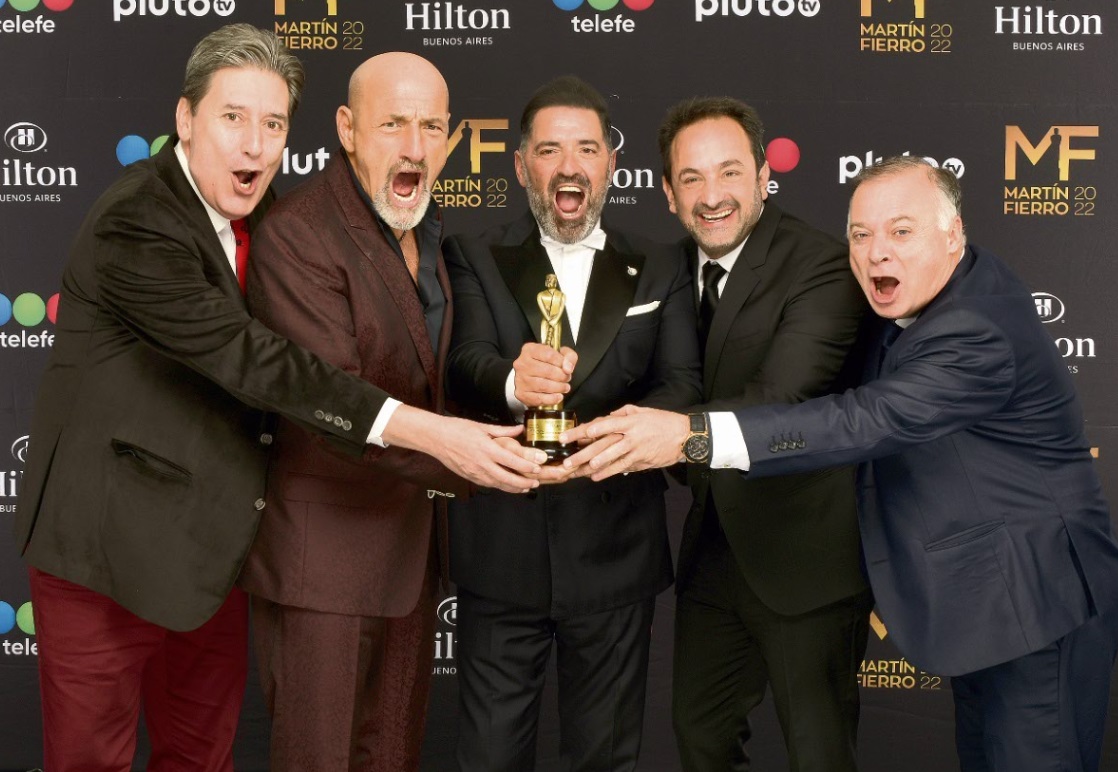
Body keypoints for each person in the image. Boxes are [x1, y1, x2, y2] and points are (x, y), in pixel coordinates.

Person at [14, 25, 542, 772]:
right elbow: (253, 361)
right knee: (90, 761)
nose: (255, 147)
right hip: (107, 555)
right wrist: (429, 433)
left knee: (201, 758)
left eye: (272, 124)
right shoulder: (135, 221)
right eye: (233, 118)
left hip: (212, 557)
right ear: (186, 120)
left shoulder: (267, 220)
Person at [563, 156, 1118, 772]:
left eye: (901, 231)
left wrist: (690, 436)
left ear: (953, 234)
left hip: (1037, 596)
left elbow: (863, 420)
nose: (876, 253)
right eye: (861, 235)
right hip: (987, 599)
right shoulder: (936, 290)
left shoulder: (975, 329)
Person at [442, 75, 702, 771]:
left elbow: (681, 382)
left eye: (586, 148)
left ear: (610, 163)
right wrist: (511, 381)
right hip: (502, 553)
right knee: (488, 757)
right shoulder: (472, 252)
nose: (569, 165)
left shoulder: (660, 264)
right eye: (550, 150)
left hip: (617, 554)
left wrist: (620, 435)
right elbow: (462, 359)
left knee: (605, 759)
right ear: (523, 165)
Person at [237, 52, 466, 771]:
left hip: (409, 552)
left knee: (390, 758)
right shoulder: (299, 232)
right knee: (318, 760)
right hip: (323, 566)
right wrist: (476, 458)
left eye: (431, 126)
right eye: (393, 123)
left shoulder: (429, 233)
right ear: (347, 128)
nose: (416, 146)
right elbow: (332, 401)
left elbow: (430, 375)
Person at [655, 96, 871, 771]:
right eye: (691, 179)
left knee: (819, 753)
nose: (711, 195)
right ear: (667, 193)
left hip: (804, 561)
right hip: (714, 556)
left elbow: (783, 398)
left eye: (729, 173)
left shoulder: (822, 266)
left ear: (762, 178)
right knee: (700, 736)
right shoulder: (664, 271)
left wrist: (668, 435)